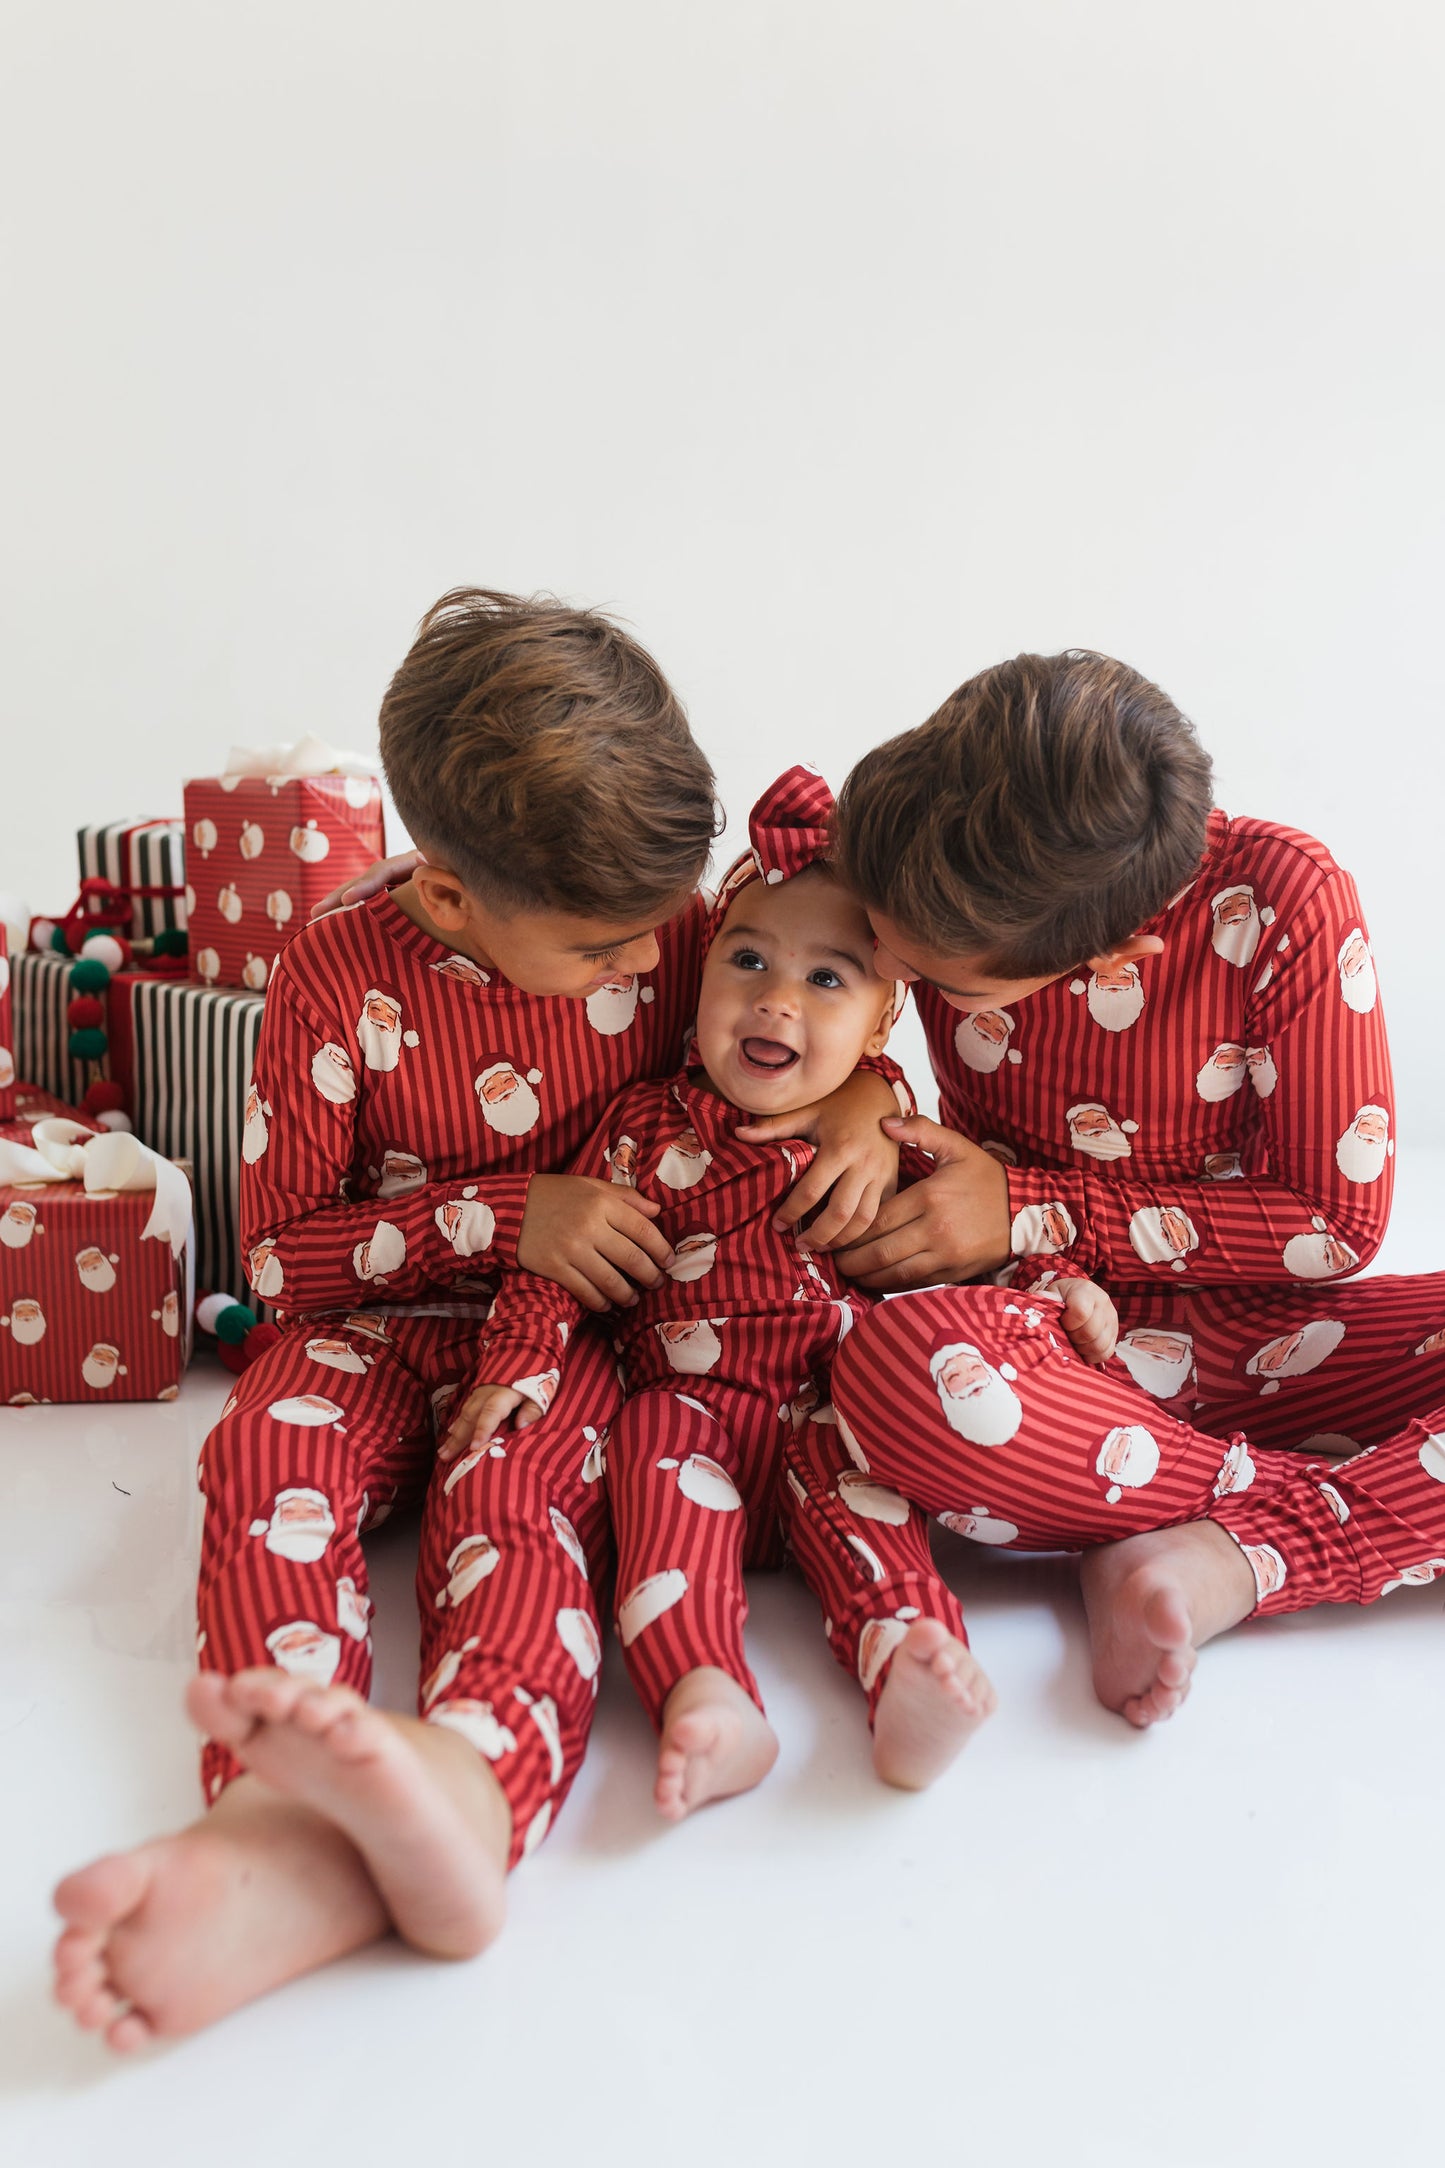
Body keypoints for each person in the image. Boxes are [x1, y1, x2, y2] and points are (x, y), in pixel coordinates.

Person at [50, 591, 902, 2052]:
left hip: (570, 1334)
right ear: (446, 897)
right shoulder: (337, 971)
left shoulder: (673, 921)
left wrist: (874, 1108)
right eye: (604, 952)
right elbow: (283, 1257)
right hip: (372, 1316)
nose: (654, 970)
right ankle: (272, 1817)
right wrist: (512, 1212)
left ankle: (462, 1780)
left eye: (664, 937)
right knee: (266, 1472)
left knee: (516, 1511)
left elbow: (817, 1034)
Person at [781, 649, 1445, 1718]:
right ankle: (1202, 1505)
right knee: (894, 1373)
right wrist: (862, 1086)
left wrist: (1033, 1201)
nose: (891, 978)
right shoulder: (906, 851)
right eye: (875, 942)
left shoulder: (1284, 899)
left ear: (1114, 955)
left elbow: (1334, 1224)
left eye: (937, 981)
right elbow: (773, 991)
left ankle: (1216, 1548)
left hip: (1260, 1330)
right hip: (1023, 1337)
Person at [446, 769, 1120, 1817]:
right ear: (700, 968)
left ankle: (905, 1654)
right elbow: (557, 1267)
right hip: (693, 1417)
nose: (774, 997)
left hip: (834, 1409)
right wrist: (517, 1367)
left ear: (881, 1020)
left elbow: (956, 1255)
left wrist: (1054, 1285)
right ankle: (706, 1691)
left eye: (825, 979)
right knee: (655, 1476)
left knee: (872, 1507)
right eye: (747, 958)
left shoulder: (886, 1134)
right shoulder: (640, 1128)